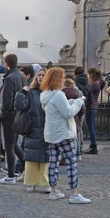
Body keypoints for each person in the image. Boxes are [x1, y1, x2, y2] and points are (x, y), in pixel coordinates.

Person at [40, 68, 89, 203]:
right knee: (71, 162)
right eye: (61, 78)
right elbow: (67, 113)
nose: (63, 80)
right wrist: (79, 102)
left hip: (51, 132)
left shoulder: (45, 94)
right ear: (57, 79)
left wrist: (71, 102)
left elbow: (58, 109)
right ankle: (74, 193)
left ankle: (54, 190)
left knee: (53, 161)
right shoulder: (58, 95)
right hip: (63, 133)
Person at [15, 68, 51, 194]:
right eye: (39, 75)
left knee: (45, 157)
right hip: (33, 128)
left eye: (43, 75)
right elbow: (20, 106)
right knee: (31, 157)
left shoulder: (50, 92)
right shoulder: (31, 92)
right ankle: (31, 182)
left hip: (46, 128)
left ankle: (45, 182)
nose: (41, 77)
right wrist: (22, 93)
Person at [0, 54, 27, 185]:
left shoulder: (10, 78)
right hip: (20, 113)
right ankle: (27, 167)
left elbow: (7, 100)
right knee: (14, 144)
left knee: (9, 145)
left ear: (6, 64)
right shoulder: (22, 76)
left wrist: (3, 115)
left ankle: (10, 174)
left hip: (10, 115)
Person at [62, 77, 85, 161]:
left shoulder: (61, 93)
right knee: (75, 136)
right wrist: (80, 116)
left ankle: (64, 156)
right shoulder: (78, 93)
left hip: (64, 117)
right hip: (75, 116)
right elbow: (82, 108)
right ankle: (78, 153)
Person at [84, 68, 105, 154]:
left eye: (88, 74)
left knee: (91, 127)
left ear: (92, 75)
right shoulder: (97, 83)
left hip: (90, 107)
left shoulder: (94, 84)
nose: (87, 76)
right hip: (92, 106)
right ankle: (92, 146)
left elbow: (87, 92)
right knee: (90, 127)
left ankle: (93, 146)